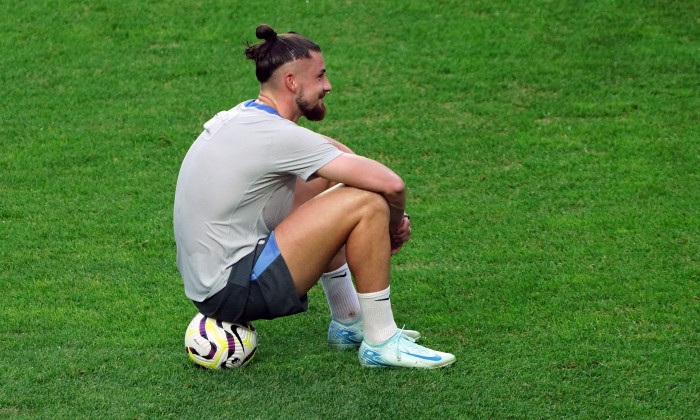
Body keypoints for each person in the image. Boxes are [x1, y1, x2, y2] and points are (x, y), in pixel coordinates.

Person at [173, 24, 455, 368]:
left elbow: (340, 157)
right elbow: (391, 184)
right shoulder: (277, 136)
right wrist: (394, 224)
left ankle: (349, 321)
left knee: (329, 181)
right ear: (292, 82)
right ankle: (381, 341)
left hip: (211, 282)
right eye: (320, 76)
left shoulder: (248, 118)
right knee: (367, 201)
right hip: (234, 289)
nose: (327, 86)